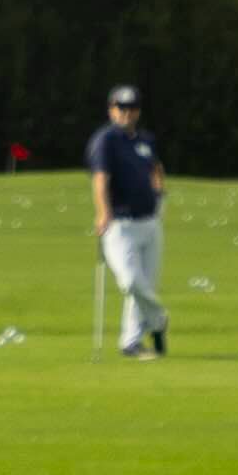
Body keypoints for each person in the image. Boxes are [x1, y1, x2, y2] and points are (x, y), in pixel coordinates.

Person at [87, 84, 169, 358]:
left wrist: (159, 194)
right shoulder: (106, 140)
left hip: (150, 221)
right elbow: (100, 179)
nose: (127, 113)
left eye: (132, 108)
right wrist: (102, 212)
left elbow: (156, 168)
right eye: (121, 108)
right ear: (111, 109)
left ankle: (131, 342)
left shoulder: (145, 140)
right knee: (131, 281)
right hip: (120, 224)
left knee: (146, 282)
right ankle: (159, 319)